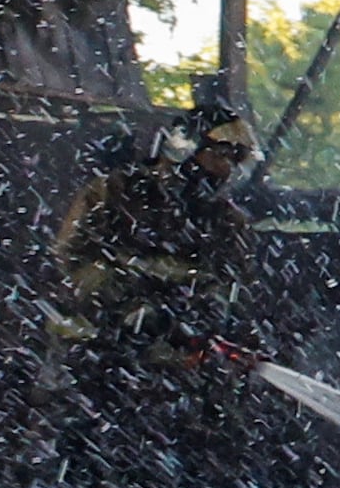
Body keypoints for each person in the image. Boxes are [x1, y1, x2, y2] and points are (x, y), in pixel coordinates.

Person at [47, 85, 259, 360]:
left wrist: (202, 317)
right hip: (93, 343)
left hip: (175, 357)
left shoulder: (227, 219)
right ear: (185, 149)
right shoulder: (114, 192)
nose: (226, 169)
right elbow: (69, 261)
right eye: (219, 155)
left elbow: (237, 287)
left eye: (235, 159)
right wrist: (132, 298)